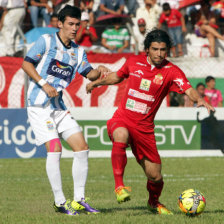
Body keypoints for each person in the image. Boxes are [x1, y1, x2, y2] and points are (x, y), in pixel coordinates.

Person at [86, 29, 214, 215]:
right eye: (155, 49)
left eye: (163, 49)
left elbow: (187, 89)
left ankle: (153, 203)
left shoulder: (171, 71)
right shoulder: (133, 62)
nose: (159, 54)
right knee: (120, 134)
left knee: (155, 176)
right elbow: (117, 76)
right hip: (122, 118)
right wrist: (96, 83)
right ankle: (119, 186)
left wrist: (199, 99)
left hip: (144, 130)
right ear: (147, 49)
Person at [22, 5, 109, 216]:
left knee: (82, 147)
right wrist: (44, 83)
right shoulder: (46, 41)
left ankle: (79, 200)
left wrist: (100, 70)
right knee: (55, 148)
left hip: (58, 106)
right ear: (59, 24)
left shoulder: (79, 51)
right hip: (38, 105)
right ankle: (60, 202)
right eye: (70, 24)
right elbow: (26, 64)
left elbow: (89, 73)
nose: (74, 28)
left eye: (77, 24)